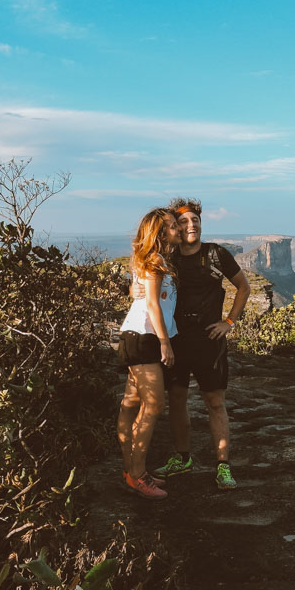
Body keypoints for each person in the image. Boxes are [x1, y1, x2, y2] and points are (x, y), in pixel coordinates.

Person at [148, 197, 250, 490]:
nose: (191, 225)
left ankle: (223, 466)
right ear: (176, 228)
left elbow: (243, 287)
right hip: (178, 340)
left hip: (209, 341)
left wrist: (229, 322)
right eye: (184, 222)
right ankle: (183, 459)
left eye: (195, 221)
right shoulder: (169, 257)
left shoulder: (216, 254)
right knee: (177, 399)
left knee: (214, 401)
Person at [116, 207, 182, 499]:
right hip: (144, 337)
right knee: (153, 406)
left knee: (131, 402)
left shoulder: (155, 261)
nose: (178, 230)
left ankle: (131, 470)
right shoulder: (154, 262)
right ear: (158, 232)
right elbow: (153, 305)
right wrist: (165, 343)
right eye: (171, 227)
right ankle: (139, 476)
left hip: (138, 334)